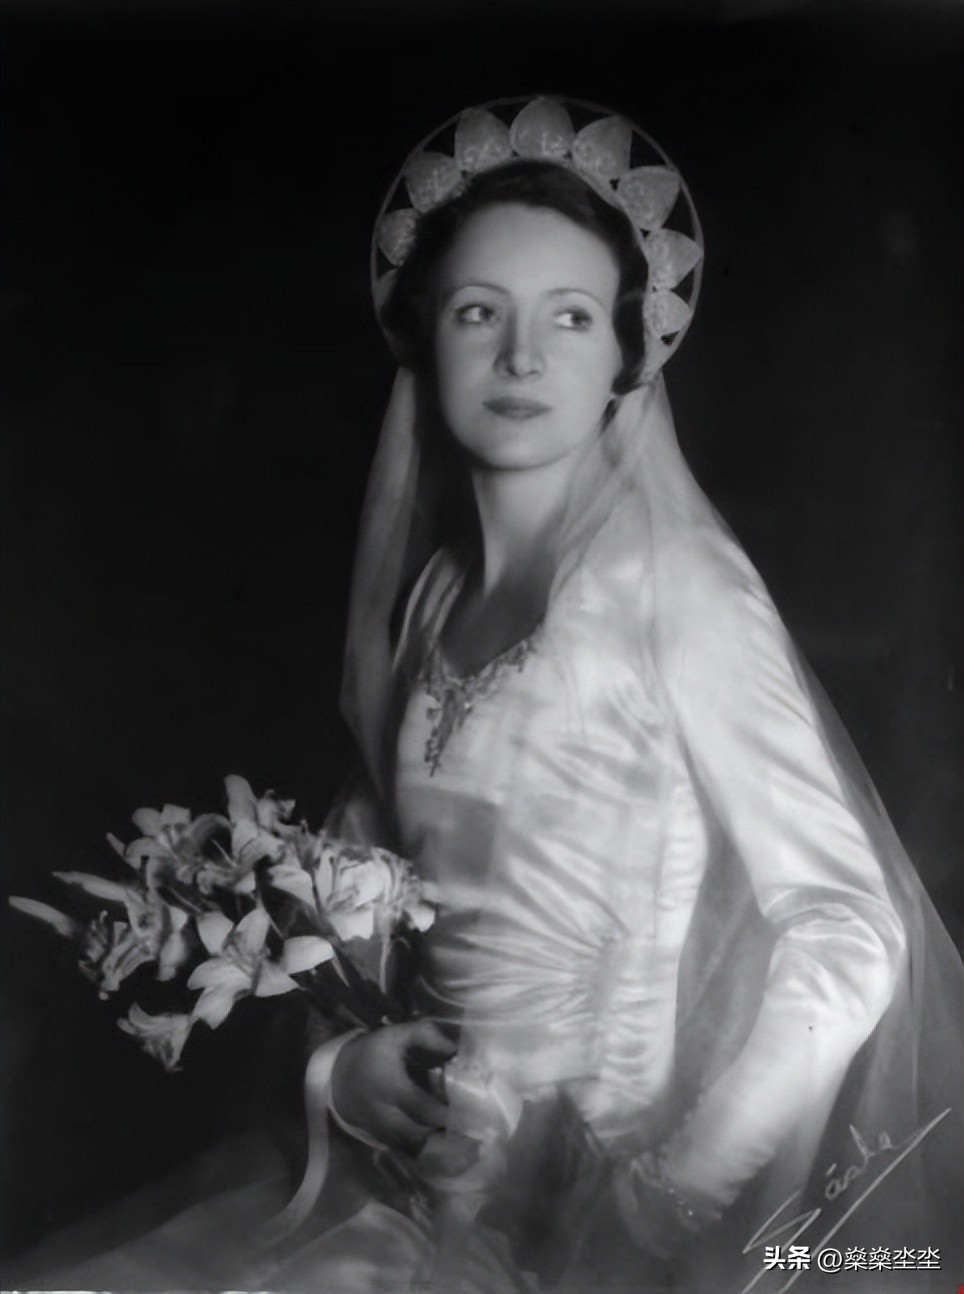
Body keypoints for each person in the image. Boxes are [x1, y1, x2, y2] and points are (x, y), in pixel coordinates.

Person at [8, 96, 962, 1294]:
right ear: (425, 338)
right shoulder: (429, 600)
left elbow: (850, 930)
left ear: (626, 352)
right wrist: (347, 1074)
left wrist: (669, 1194)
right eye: (478, 311)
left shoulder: (672, 588)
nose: (521, 357)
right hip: (403, 1192)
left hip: (582, 1219)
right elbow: (360, 904)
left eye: (569, 316)